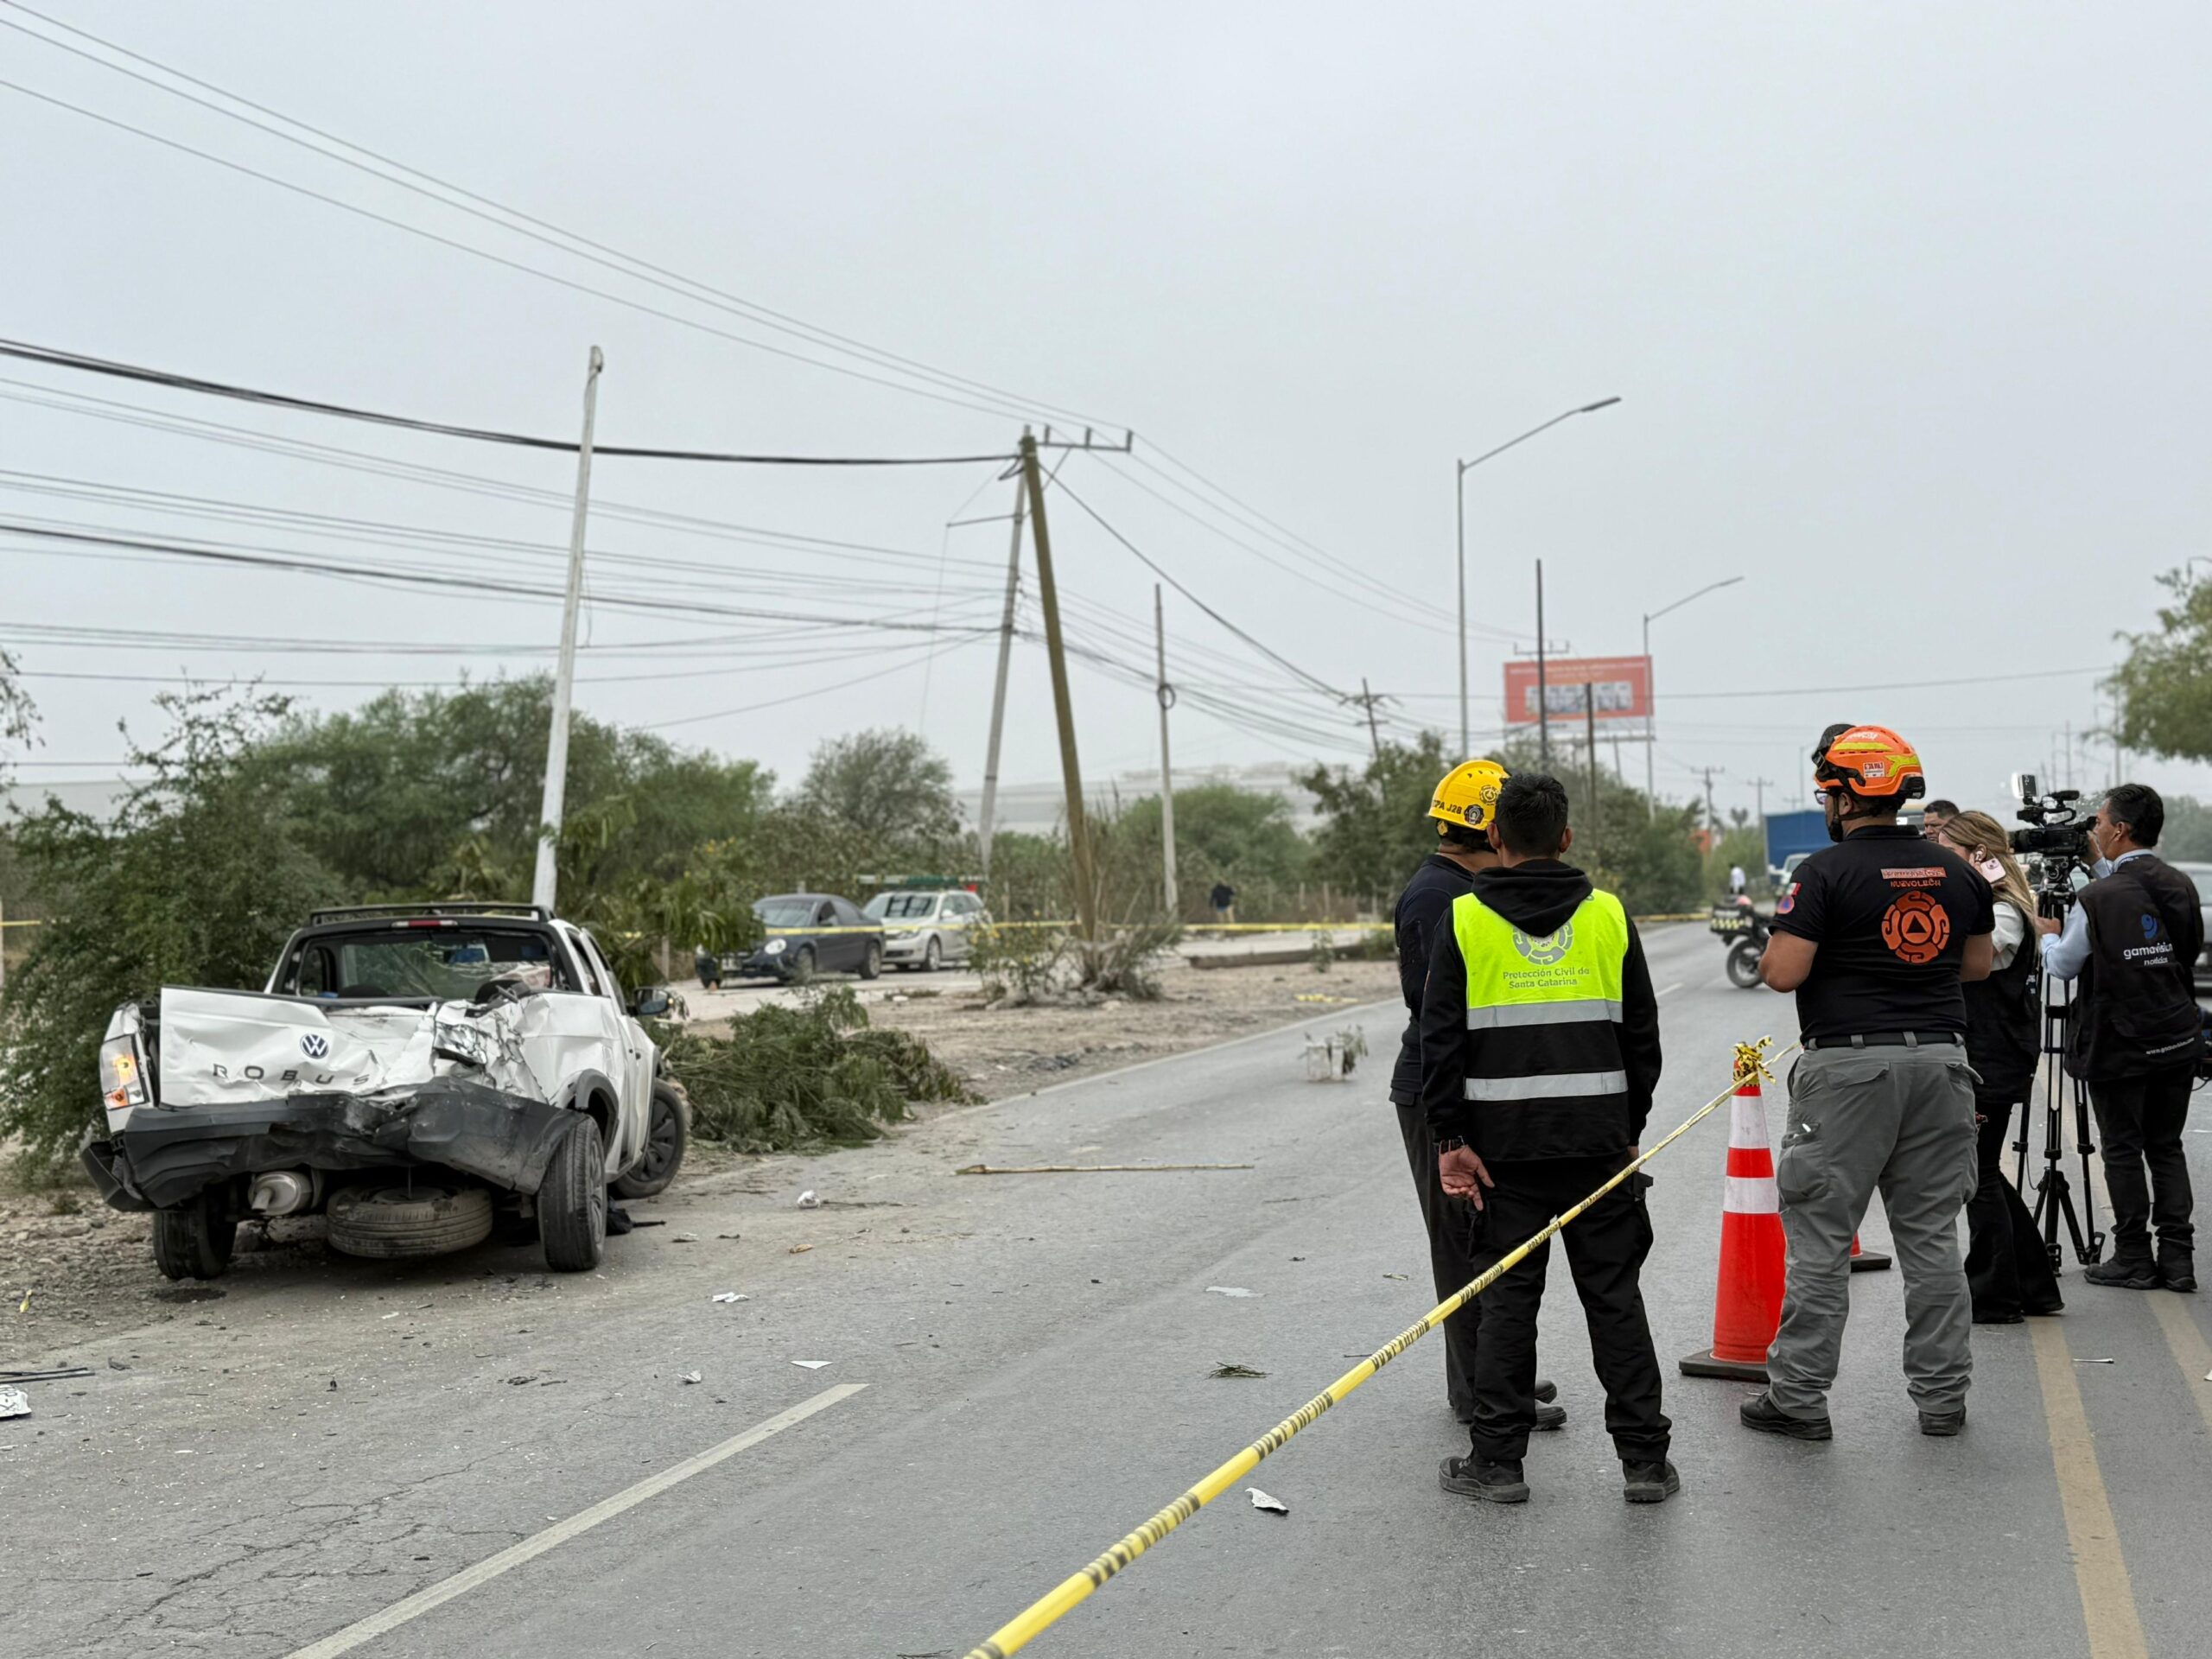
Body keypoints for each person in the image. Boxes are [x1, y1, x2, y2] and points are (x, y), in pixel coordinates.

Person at [1421, 772, 1672, 1504]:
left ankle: (1498, 1466)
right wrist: (1628, 1129)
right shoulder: (1610, 917)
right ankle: (1645, 1464)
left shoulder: (1464, 921)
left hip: (1501, 1159)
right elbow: (1642, 1037)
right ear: (1565, 839)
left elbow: (1441, 1043)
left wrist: (1451, 1140)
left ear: (1495, 839)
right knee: (1615, 1300)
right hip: (1597, 1150)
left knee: (1506, 1308)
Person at [1746, 724, 1993, 1441]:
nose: (1826, 801)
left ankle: (1798, 1398)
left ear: (1848, 797)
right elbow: (1976, 967)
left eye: (1828, 789)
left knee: (1822, 1239)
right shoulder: (1957, 873)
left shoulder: (1822, 873)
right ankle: (1944, 1400)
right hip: (1943, 1065)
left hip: (1849, 1069)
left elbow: (1783, 972)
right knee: (1931, 1239)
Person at [1388, 760, 1564, 1434]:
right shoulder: (1439, 898)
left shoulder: (1468, 889)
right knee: (1462, 1245)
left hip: (1471, 1089)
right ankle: (1478, 1392)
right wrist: (1450, 1124)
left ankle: (1500, 1372)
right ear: (1489, 831)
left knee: (1490, 1237)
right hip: (1441, 1093)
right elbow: (1437, 1016)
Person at [2037, 783, 2202, 1292]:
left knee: (2124, 1149)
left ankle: (2133, 1254)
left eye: (2100, 821)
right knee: (2166, 1147)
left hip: (2118, 1042)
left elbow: (2064, 965)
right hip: (2176, 1035)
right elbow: (2186, 951)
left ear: (2120, 828)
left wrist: (2046, 934)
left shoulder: (2097, 898)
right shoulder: (2178, 883)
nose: (2096, 829)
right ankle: (2178, 1260)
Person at [1929, 810, 2063, 1322]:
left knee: (1977, 1174)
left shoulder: (2002, 911)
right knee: (1984, 1173)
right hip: (1989, 1053)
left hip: (1993, 1057)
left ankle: (1996, 1294)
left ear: (1979, 857)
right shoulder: (1993, 903)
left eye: (1950, 854)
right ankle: (2031, 1282)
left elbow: (1972, 959)